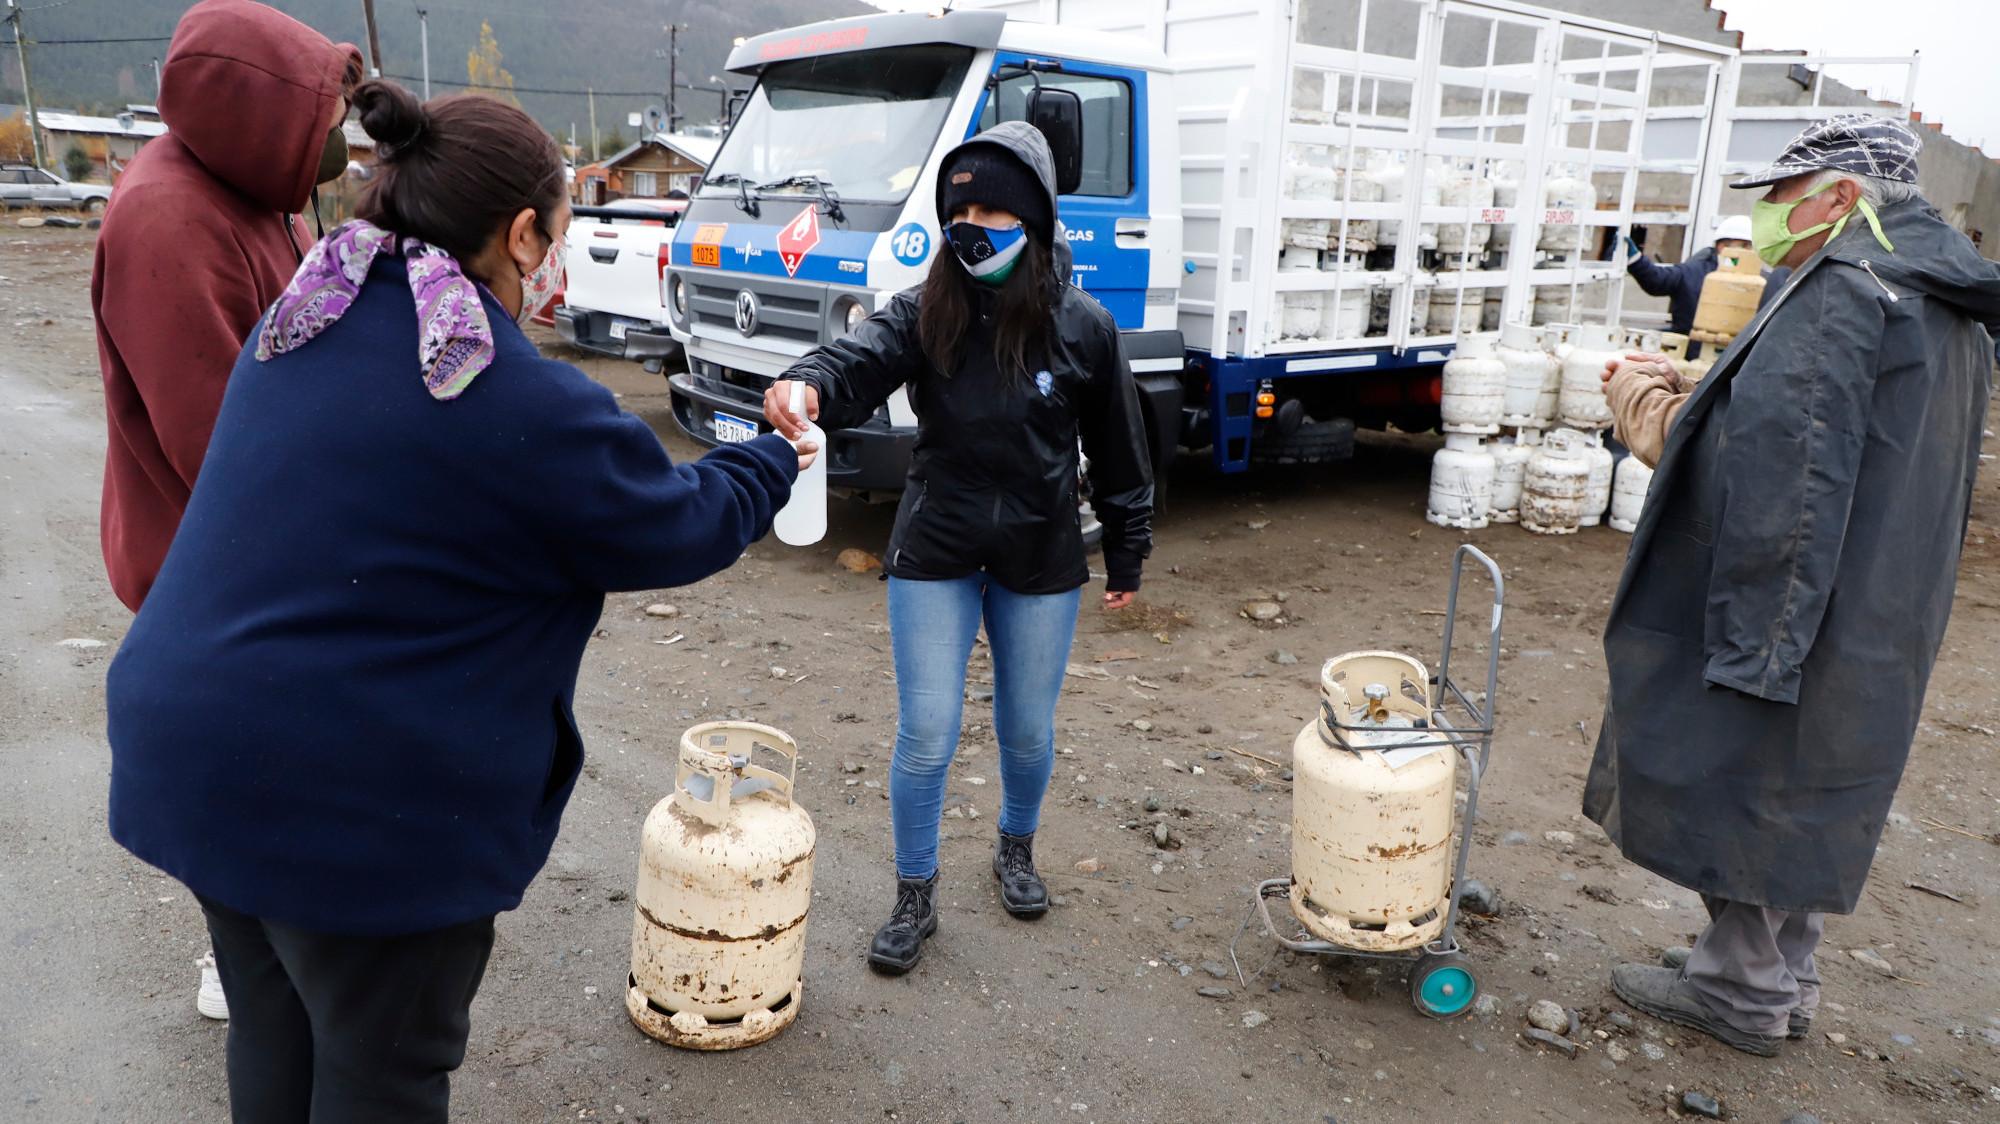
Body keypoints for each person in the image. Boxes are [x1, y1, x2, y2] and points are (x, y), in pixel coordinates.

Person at [106, 81, 809, 1122]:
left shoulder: (301, 322)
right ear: (522, 234)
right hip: (351, 810)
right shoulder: (502, 390)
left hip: (195, 756)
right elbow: (677, 523)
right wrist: (775, 456)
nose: (555, 264)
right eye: (556, 235)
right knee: (379, 1075)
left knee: (274, 1028)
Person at [1585, 112, 2000, 1056]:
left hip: (1793, 600)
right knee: (1810, 789)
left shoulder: (1838, 294)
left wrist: (1644, 405)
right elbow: (1829, 439)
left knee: (1747, 778)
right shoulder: (1939, 298)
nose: (1766, 214)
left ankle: (1739, 992)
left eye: (1780, 194)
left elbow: (1776, 481)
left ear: (1842, 196)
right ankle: (1784, 977)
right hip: (1878, 601)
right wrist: (1697, 399)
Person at [764, 123, 1154, 975]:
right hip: (937, 541)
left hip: (1040, 553)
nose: (972, 227)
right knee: (928, 732)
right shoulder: (924, 310)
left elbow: (1122, 451)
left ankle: (1016, 847)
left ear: (1033, 221)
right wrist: (807, 384)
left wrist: (1127, 552)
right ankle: (915, 892)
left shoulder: (1084, 326)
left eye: (992, 212)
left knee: (1026, 730)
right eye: (961, 211)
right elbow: (856, 359)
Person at [90, 0, 362, 1022]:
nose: (338, 136)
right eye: (325, 115)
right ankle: (241, 957)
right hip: (209, 554)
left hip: (263, 544)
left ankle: (268, 938)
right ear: (262, 114)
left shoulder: (258, 189)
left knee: (281, 764)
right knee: (249, 763)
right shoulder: (168, 220)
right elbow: (220, 449)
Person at [1624, 214, 1789, 358]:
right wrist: (1635, 259)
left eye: (1752, 246)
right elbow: (1657, 281)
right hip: (1690, 356)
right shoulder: (1693, 271)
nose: (1750, 251)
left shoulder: (1762, 280)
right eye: (1745, 245)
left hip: (1736, 360)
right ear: (1722, 247)